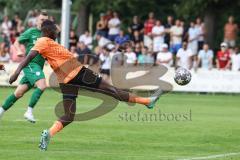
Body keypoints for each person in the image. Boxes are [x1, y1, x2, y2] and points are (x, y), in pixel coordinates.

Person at [9, 20, 162, 151]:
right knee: (112, 91)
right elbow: (29, 57)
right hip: (78, 72)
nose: (56, 33)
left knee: (69, 115)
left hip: (65, 79)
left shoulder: (48, 42)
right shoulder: (43, 41)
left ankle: (48, 133)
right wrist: (16, 73)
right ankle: (147, 102)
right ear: (48, 31)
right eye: (54, 31)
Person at [0, 11, 49, 123]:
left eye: (45, 20)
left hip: (38, 67)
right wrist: (18, 50)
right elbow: (17, 42)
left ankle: (1, 111)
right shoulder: (31, 32)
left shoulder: (48, 35)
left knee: (18, 93)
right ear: (37, 21)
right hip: (30, 64)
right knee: (42, 85)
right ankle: (29, 111)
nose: (43, 22)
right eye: (41, 20)